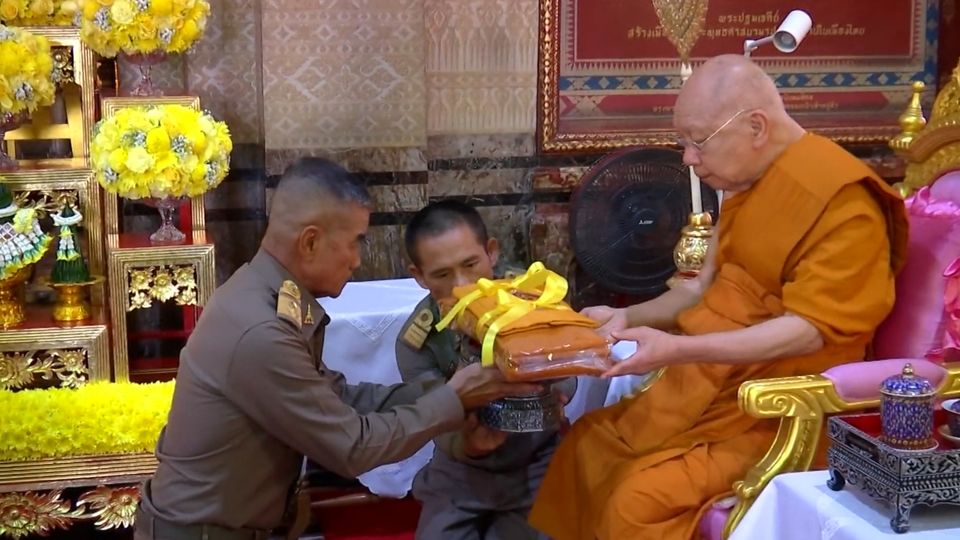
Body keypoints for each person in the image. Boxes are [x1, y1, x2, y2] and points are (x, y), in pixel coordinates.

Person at [528, 54, 909, 540]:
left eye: (698, 141)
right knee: (587, 445)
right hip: (707, 388)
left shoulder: (843, 201)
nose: (687, 158)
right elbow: (701, 289)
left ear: (756, 126)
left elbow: (810, 329)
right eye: (683, 142)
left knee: (635, 500)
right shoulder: (750, 182)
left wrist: (680, 349)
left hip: (778, 411)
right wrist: (624, 318)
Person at [135, 158, 540, 540]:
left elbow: (338, 397)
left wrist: (450, 391)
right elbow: (353, 447)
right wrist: (454, 400)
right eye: (355, 242)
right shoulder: (261, 330)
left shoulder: (265, 294)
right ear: (310, 241)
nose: (358, 260)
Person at [396, 200, 576, 540]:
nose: (463, 285)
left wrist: (552, 386)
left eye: (470, 264)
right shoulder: (419, 341)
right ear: (419, 276)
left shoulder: (534, 301)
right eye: (442, 275)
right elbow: (432, 417)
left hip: (534, 458)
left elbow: (570, 374)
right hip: (460, 467)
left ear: (491, 252)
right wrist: (469, 446)